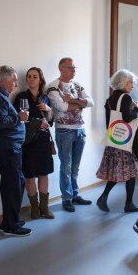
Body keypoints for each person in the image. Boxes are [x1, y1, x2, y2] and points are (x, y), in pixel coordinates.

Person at [0, 65, 31, 237]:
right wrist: (19, 117)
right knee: (13, 185)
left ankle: (11, 221)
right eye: (14, 81)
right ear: (4, 81)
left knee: (16, 182)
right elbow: (0, 122)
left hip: (9, 146)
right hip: (6, 147)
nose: (16, 84)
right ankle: (11, 225)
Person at [47, 58, 94, 212]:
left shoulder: (77, 85)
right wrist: (79, 104)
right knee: (66, 166)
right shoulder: (53, 87)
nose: (74, 70)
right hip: (64, 130)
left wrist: (74, 100)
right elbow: (60, 107)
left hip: (80, 129)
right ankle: (66, 198)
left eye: (74, 67)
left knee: (75, 167)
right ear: (61, 68)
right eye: (70, 68)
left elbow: (91, 102)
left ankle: (75, 194)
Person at [95, 69, 138, 213]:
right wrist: (136, 109)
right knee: (132, 172)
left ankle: (104, 197)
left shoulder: (110, 99)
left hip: (115, 141)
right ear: (123, 83)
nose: (132, 86)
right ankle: (129, 204)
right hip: (126, 143)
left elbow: (108, 123)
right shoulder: (126, 98)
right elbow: (128, 118)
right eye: (130, 83)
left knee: (117, 171)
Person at [12, 67, 54, 220]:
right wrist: (37, 124)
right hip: (28, 141)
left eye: (34, 76)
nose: (31, 79)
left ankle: (45, 208)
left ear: (40, 80)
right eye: (29, 76)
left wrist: (49, 110)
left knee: (44, 173)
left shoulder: (45, 97)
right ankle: (34, 209)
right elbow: (19, 120)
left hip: (43, 141)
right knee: (30, 175)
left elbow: (50, 122)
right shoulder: (21, 97)